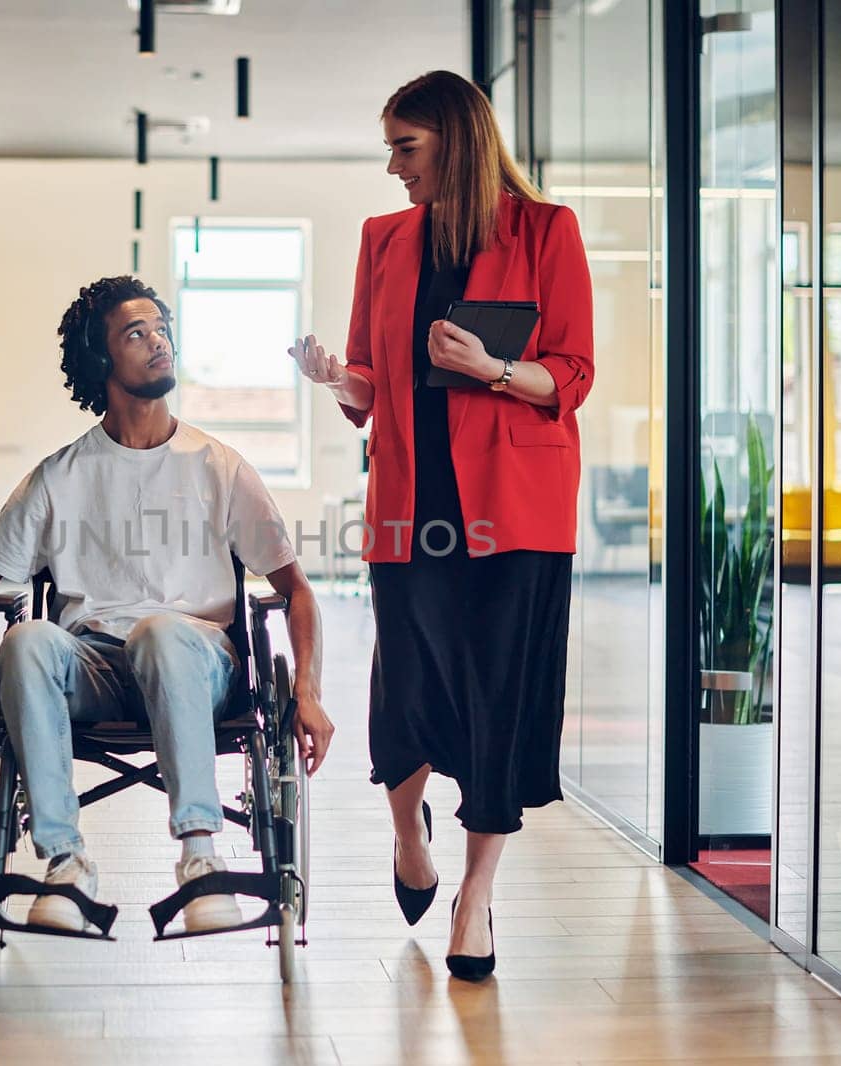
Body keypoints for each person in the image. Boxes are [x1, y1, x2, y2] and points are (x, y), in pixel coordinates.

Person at [287, 70, 593, 980]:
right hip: (411, 501)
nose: (392, 168)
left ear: (456, 141)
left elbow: (570, 374)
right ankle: (408, 837)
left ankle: (477, 897)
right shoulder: (384, 240)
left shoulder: (547, 231)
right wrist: (334, 377)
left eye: (405, 147)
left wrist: (498, 367)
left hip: (519, 507)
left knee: (499, 699)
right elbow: (373, 385)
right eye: (389, 147)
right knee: (408, 682)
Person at [0, 275, 335, 936]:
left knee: (160, 632)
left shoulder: (218, 466)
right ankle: (64, 862)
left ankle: (202, 858)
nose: (159, 343)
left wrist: (311, 691)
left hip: (196, 659)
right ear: (102, 361)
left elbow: (295, 590)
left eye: (161, 329)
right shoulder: (60, 477)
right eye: (135, 333)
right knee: (28, 640)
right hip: (92, 667)